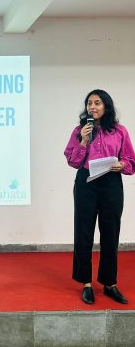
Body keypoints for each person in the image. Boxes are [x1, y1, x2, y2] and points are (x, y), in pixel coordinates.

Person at [64, 89, 135, 305]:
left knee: (110, 233)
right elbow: (73, 161)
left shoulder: (119, 131)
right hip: (87, 182)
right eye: (89, 103)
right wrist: (84, 141)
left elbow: (130, 160)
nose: (92, 107)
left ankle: (109, 283)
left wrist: (121, 164)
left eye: (97, 103)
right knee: (83, 232)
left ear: (106, 107)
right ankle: (86, 283)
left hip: (111, 182)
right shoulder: (80, 130)